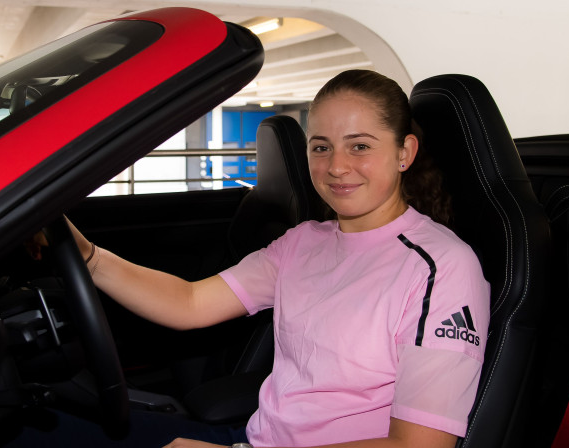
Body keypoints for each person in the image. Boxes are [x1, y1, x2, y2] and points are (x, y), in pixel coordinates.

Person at [67, 69, 490, 448]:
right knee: (51, 428)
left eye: (359, 146)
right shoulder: (304, 242)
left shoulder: (442, 268)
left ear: (405, 153)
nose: (337, 166)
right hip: (255, 439)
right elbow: (190, 303)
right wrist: (88, 257)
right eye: (321, 147)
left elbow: (418, 445)